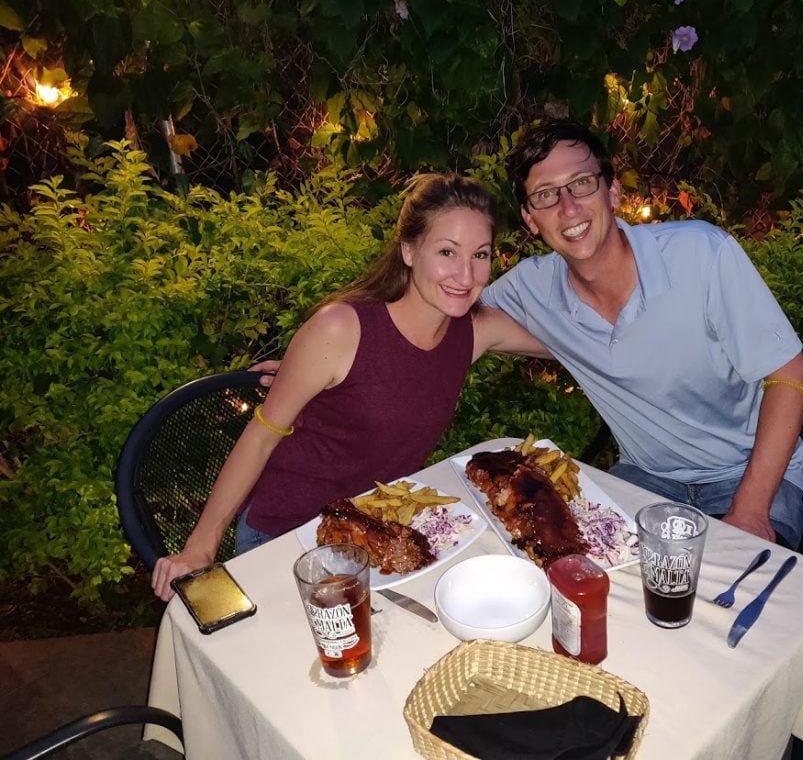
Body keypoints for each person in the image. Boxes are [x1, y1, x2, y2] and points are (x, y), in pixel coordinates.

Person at [151, 173, 547, 601]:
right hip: (289, 536)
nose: (466, 275)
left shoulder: (472, 332)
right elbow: (262, 436)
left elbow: (577, 344)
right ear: (409, 250)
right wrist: (200, 547)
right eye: (447, 251)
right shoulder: (342, 328)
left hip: (374, 534)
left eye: (481, 254)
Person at [478, 119, 803, 548]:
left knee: (728, 600)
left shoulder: (700, 255)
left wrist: (750, 507)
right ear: (530, 218)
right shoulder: (532, 290)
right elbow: (450, 321)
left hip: (748, 475)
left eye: (581, 183)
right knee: (568, 567)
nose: (568, 207)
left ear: (612, 191)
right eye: (546, 195)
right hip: (646, 481)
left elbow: (791, 375)